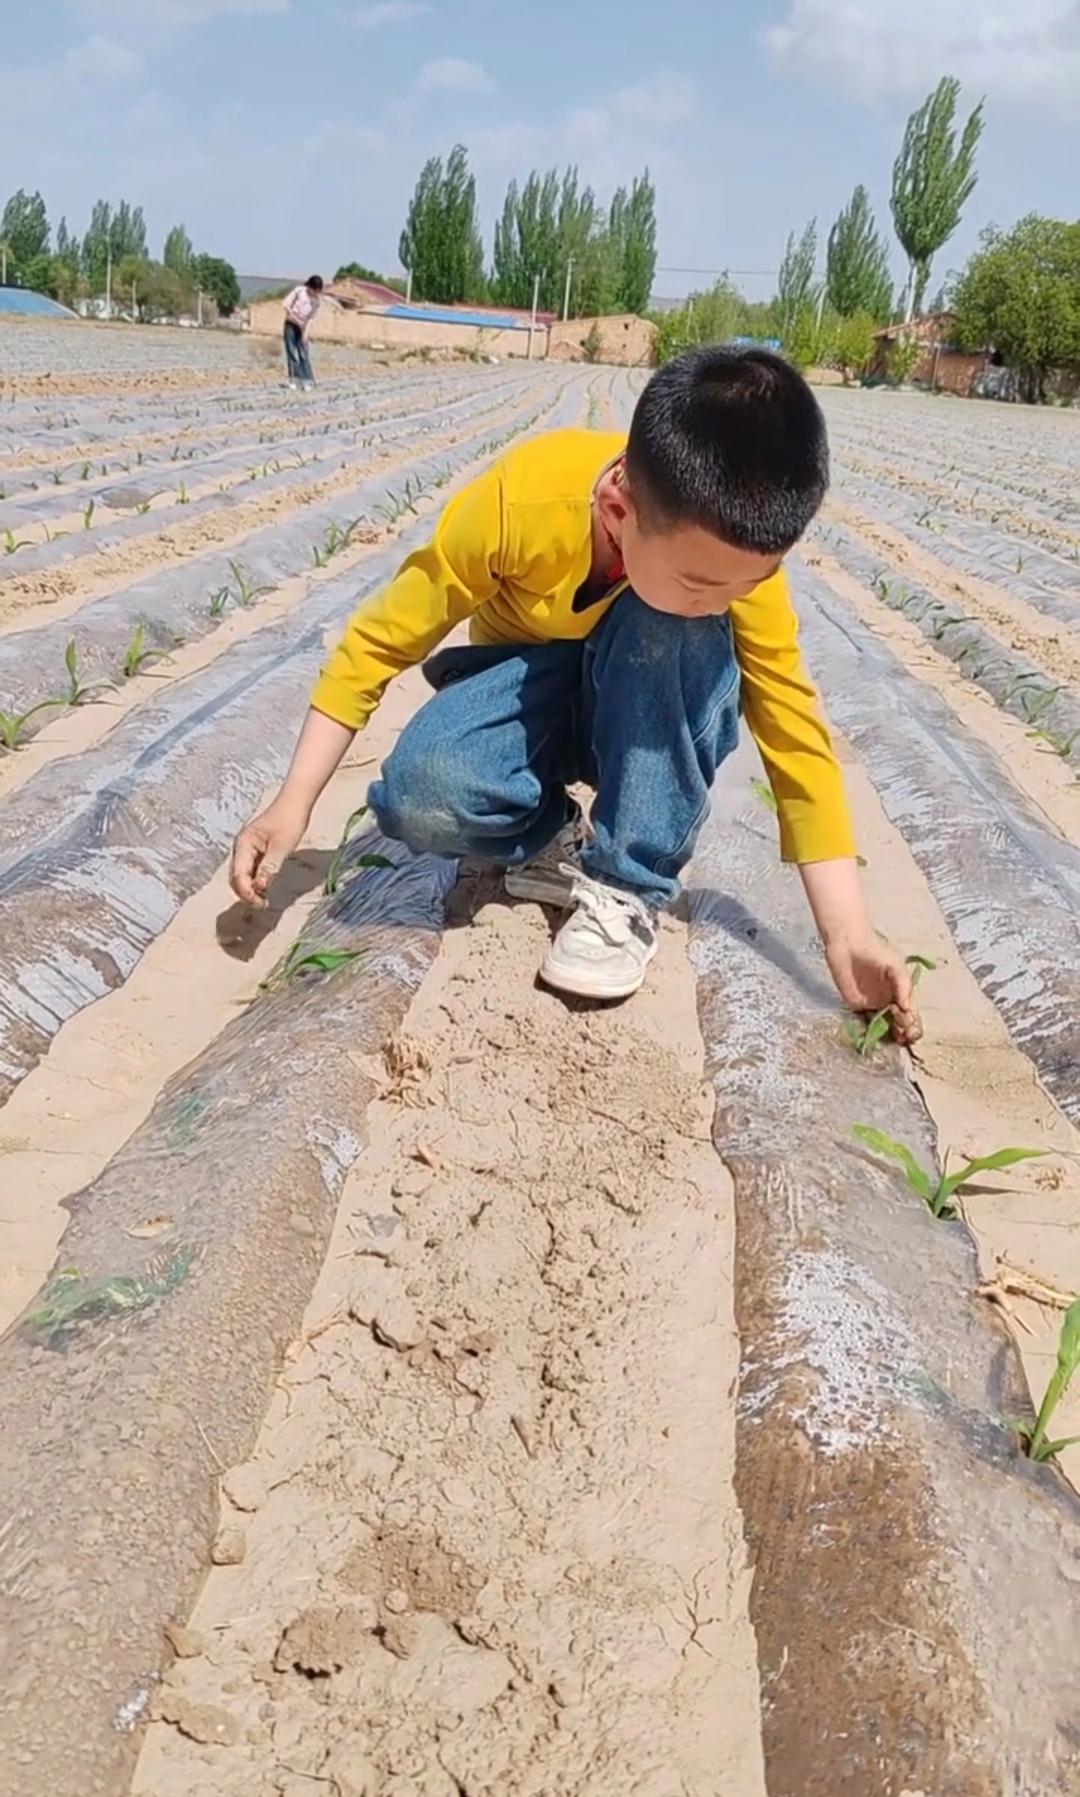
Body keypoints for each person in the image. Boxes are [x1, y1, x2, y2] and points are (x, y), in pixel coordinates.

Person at [231, 345, 919, 1034]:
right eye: (704, 585)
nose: (727, 602)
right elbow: (378, 642)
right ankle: (552, 835)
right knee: (420, 797)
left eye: (750, 583)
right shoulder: (520, 505)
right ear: (619, 508)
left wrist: (847, 934)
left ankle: (627, 882)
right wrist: (293, 801)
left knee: (675, 627)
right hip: (528, 692)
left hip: (650, 703)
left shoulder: (727, 569)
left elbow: (794, 729)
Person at [282, 275, 323, 388]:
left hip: (303, 327)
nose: (315, 293)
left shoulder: (316, 302)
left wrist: (305, 334)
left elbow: (310, 318)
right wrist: (297, 320)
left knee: (303, 354)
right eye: (314, 290)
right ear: (309, 286)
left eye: (318, 291)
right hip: (291, 324)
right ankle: (294, 379)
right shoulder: (299, 291)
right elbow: (285, 304)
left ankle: (307, 380)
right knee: (292, 353)